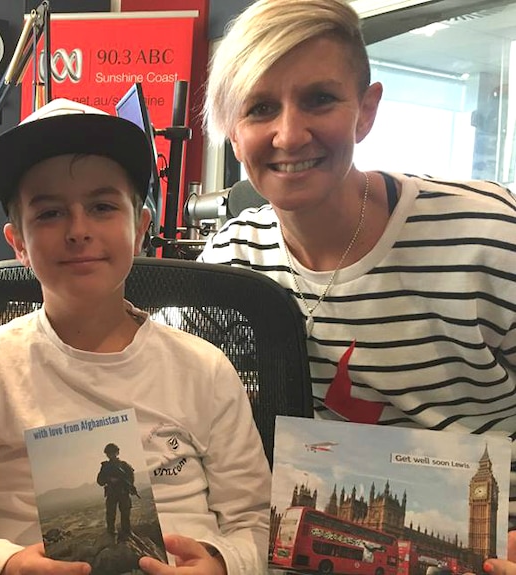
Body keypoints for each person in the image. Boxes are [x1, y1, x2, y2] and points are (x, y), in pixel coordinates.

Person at [199, 0, 516, 571]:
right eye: (260, 107)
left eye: (320, 99)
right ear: (230, 129)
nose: (290, 134)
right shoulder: (229, 260)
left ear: (365, 112)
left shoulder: (491, 234)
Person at [0, 98, 271, 575]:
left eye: (103, 206)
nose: (79, 230)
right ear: (18, 242)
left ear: (140, 228)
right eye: (49, 214)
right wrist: (4, 565)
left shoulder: (205, 370)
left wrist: (222, 564)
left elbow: (254, 522)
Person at [97, 443, 136, 541]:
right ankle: (111, 533)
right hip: (112, 493)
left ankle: (126, 532)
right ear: (107, 454)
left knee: (125, 513)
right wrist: (109, 479)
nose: (111, 455)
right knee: (110, 514)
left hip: (123, 492)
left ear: (117, 453)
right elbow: (100, 481)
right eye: (109, 453)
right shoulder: (105, 467)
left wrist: (127, 485)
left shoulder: (124, 465)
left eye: (113, 453)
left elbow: (131, 478)